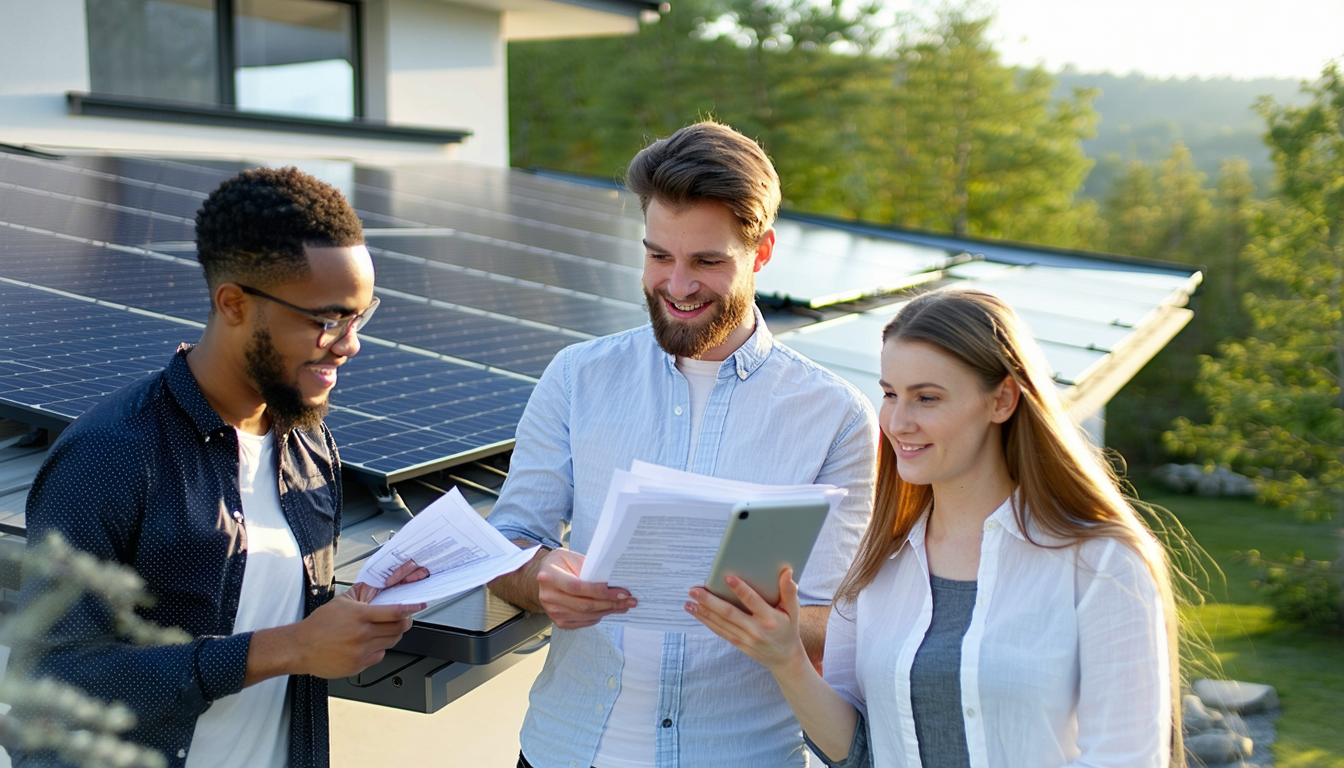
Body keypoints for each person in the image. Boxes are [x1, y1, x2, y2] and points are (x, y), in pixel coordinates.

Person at [485, 120, 879, 768]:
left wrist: (766, 623)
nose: (676, 285)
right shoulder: (577, 376)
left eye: (707, 261)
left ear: (763, 252)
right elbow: (509, 539)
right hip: (562, 749)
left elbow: (842, 624)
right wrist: (539, 577)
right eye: (658, 255)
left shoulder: (835, 416)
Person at [14, 167, 426, 768]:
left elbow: (287, 625)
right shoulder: (111, 453)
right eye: (327, 320)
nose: (349, 343)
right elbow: (54, 680)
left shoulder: (311, 450)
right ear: (233, 303)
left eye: (360, 318)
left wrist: (360, 607)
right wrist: (283, 649)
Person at [688, 288, 1182, 768]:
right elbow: (858, 754)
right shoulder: (880, 564)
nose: (898, 422)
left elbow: (1126, 757)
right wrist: (786, 659)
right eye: (889, 394)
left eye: (927, 398)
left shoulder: (1101, 562)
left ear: (1003, 400)